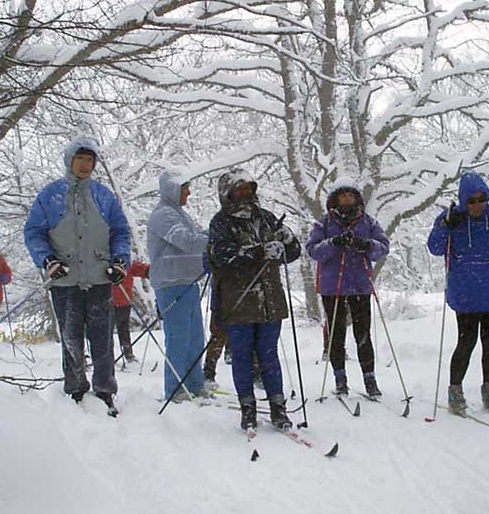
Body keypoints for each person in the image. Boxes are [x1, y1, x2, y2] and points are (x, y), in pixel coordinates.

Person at [24, 137, 130, 415]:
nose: (85, 165)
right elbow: (33, 232)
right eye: (80, 159)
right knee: (71, 336)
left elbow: (120, 231)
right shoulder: (50, 195)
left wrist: (119, 261)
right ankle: (75, 387)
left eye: (90, 160)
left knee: (102, 336)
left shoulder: (104, 196)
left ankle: (105, 389)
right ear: (70, 160)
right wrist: (47, 261)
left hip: (99, 276)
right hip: (65, 278)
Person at [207, 169, 301, 430]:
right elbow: (223, 256)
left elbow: (293, 252)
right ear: (228, 193)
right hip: (238, 301)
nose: (246, 194)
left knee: (269, 356)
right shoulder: (221, 223)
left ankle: (278, 407)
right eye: (240, 190)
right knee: (242, 356)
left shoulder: (267, 218)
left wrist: (288, 242)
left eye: (249, 189)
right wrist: (258, 252)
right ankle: (247, 407)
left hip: (270, 300)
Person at [427, 171, 489, 416]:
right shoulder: (453, 217)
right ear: (463, 200)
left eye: (481, 199)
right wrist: (444, 226)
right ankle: (455, 392)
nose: (477, 204)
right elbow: (435, 248)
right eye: (471, 200)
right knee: (466, 343)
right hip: (466, 295)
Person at [306, 178, 390, 397]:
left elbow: (383, 248)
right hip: (332, 287)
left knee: (363, 335)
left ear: (357, 199)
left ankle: (370, 379)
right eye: (343, 196)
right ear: (335, 199)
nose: (347, 199)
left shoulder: (368, 222)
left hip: (360, 286)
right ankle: (340, 378)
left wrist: (366, 245)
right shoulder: (323, 223)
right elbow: (313, 250)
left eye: (351, 196)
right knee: (336, 335)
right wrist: (334, 243)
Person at [147, 169, 209, 401]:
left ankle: (194, 384)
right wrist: (216, 239)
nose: (189, 193)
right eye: (185, 188)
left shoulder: (179, 213)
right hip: (171, 284)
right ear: (173, 189)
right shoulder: (163, 215)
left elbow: (196, 236)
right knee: (178, 339)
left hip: (187, 282)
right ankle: (175, 389)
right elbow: (187, 241)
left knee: (195, 339)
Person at [111, 260, 151, 362]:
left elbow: (140, 269)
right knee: (108, 331)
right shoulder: (108, 263)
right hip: (109, 303)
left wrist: (150, 270)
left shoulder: (127, 262)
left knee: (123, 329)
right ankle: (108, 357)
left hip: (124, 302)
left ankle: (128, 354)